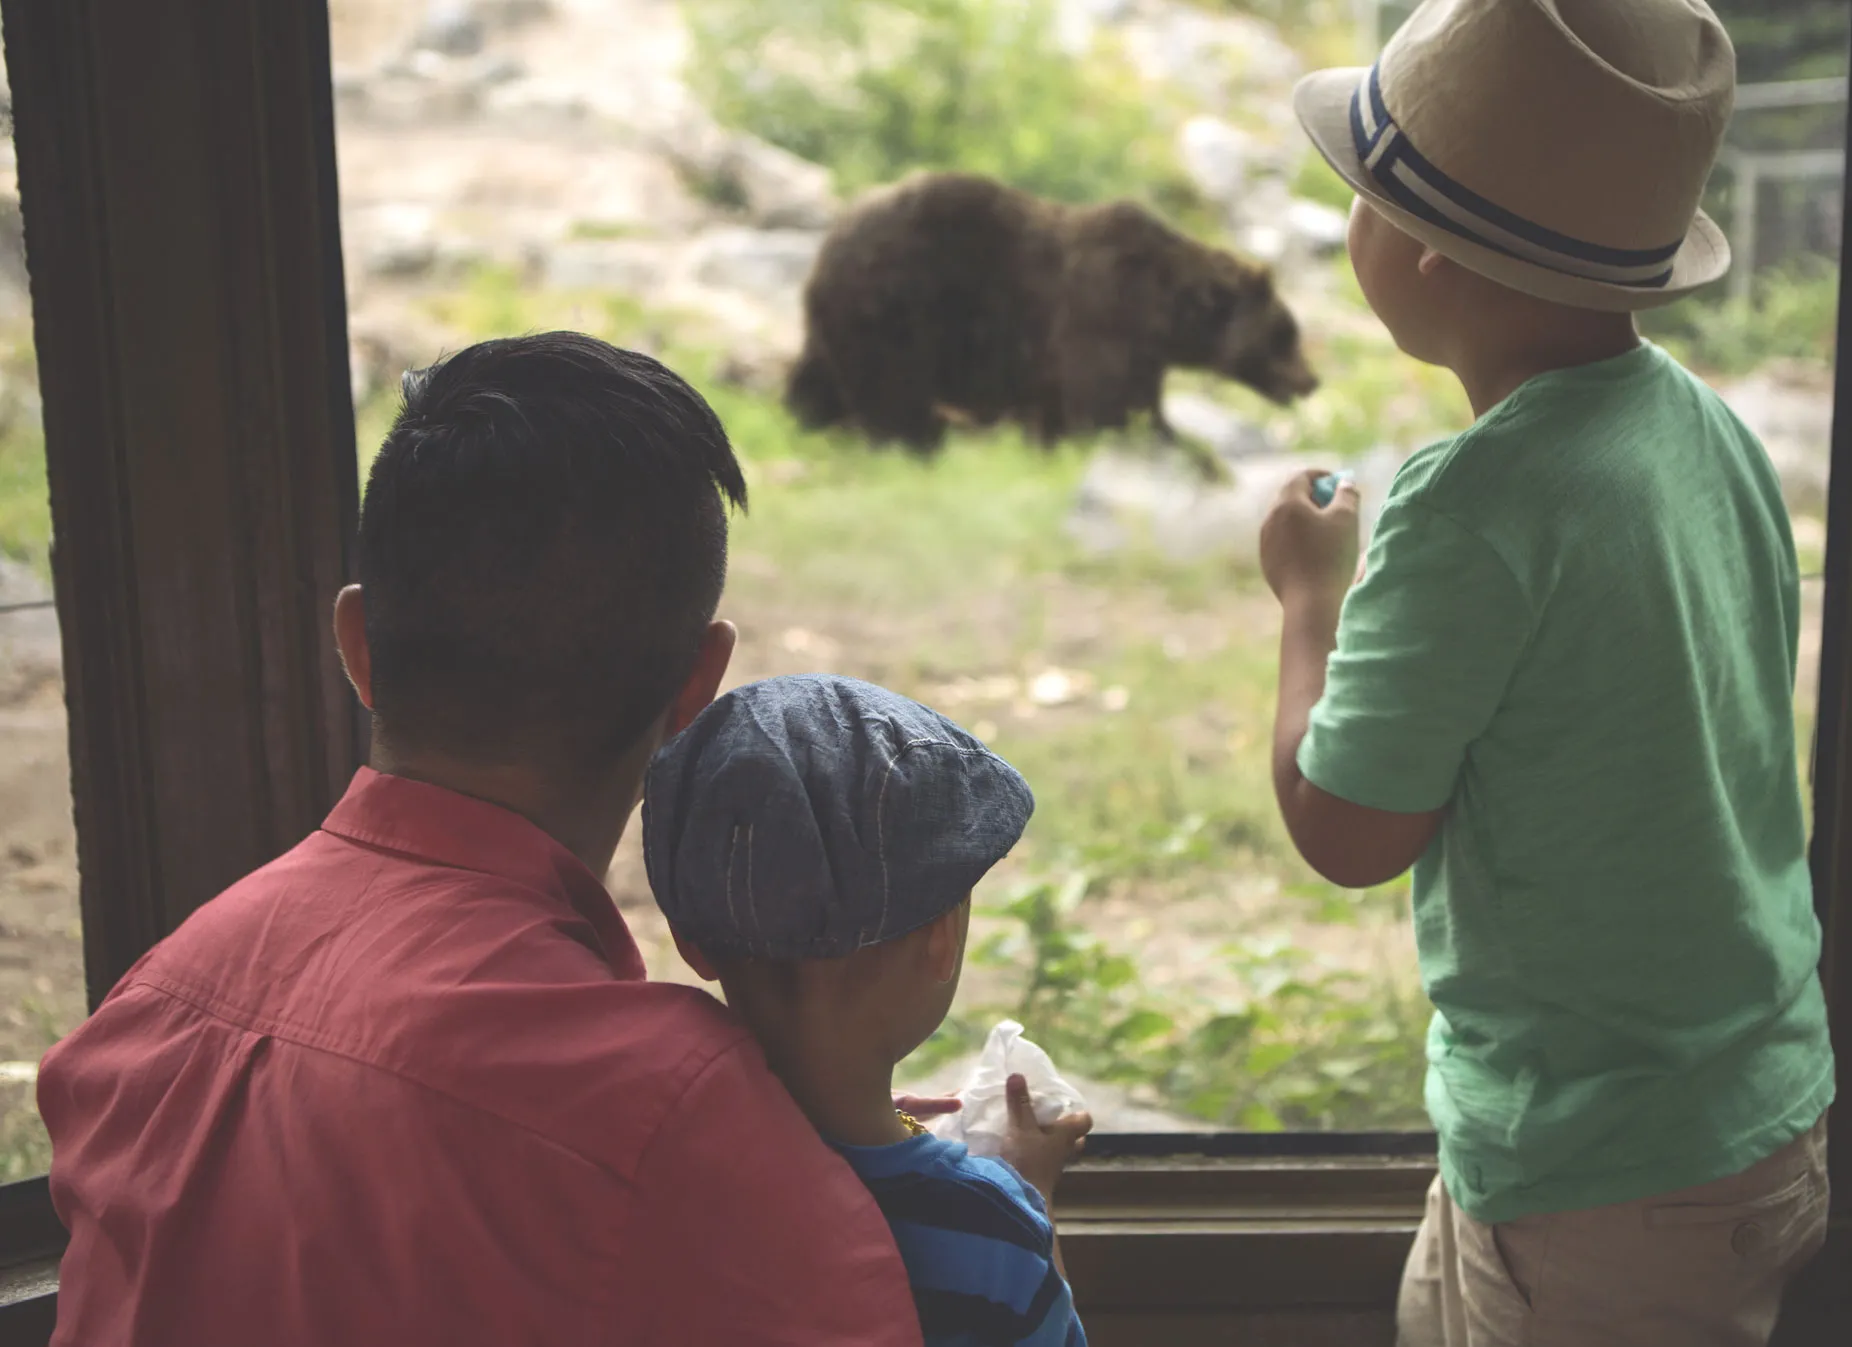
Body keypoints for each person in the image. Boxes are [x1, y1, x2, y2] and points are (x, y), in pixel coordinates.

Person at [35, 334, 924, 1346]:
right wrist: (1010, 1202)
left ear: (358, 647)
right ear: (696, 686)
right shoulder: (666, 1118)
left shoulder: (145, 1018)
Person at [1257, 2, 1834, 1344]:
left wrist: (1305, 600)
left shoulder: (1474, 507)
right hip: (1758, 1105)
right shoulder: (1705, 427)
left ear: (1419, 249)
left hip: (1597, 1176)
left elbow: (1345, 828)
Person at [644, 673, 1095, 1347]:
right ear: (941, 939)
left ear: (691, 941)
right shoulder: (984, 1223)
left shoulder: (652, 1165)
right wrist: (1030, 1191)